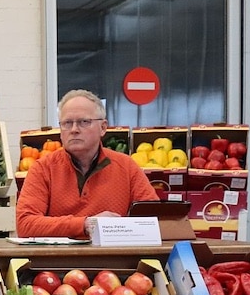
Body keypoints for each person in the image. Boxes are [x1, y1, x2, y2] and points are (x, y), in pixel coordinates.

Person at [16, 89, 158, 238]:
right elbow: (25, 224)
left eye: (84, 122)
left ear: (103, 128)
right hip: (59, 260)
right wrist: (85, 224)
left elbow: (155, 220)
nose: (74, 130)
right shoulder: (43, 169)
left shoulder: (126, 167)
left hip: (112, 259)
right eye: (67, 123)